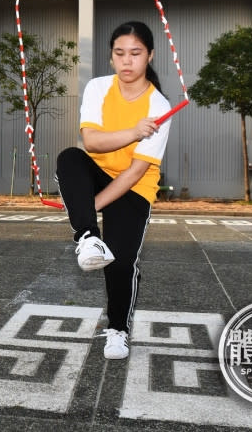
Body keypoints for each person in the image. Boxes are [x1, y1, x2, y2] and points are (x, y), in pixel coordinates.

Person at [55, 21, 172, 360]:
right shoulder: (98, 87)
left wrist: (87, 206)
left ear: (149, 55)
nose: (127, 61)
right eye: (119, 53)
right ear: (111, 57)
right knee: (70, 157)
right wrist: (135, 131)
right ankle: (88, 236)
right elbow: (91, 141)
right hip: (97, 172)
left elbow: (136, 172)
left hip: (134, 188)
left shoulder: (159, 107)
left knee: (120, 263)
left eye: (135, 53)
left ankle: (118, 329)